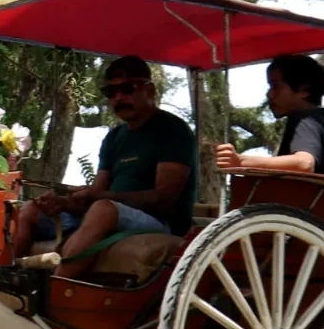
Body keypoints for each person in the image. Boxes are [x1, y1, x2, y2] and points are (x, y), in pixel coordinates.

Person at [13, 55, 195, 276]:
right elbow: (97, 194)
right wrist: (63, 203)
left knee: (103, 209)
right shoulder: (114, 137)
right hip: (109, 214)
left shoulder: (172, 129)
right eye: (111, 92)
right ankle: (8, 277)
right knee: (30, 209)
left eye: (127, 88)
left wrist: (102, 199)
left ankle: (55, 292)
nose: (119, 97)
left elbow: (164, 200)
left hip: (161, 223)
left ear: (150, 90)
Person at [214, 54, 324, 190]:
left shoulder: (304, 119)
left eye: (275, 86)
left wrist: (240, 161)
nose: (269, 95)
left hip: (296, 217)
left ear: (304, 91)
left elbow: (304, 163)